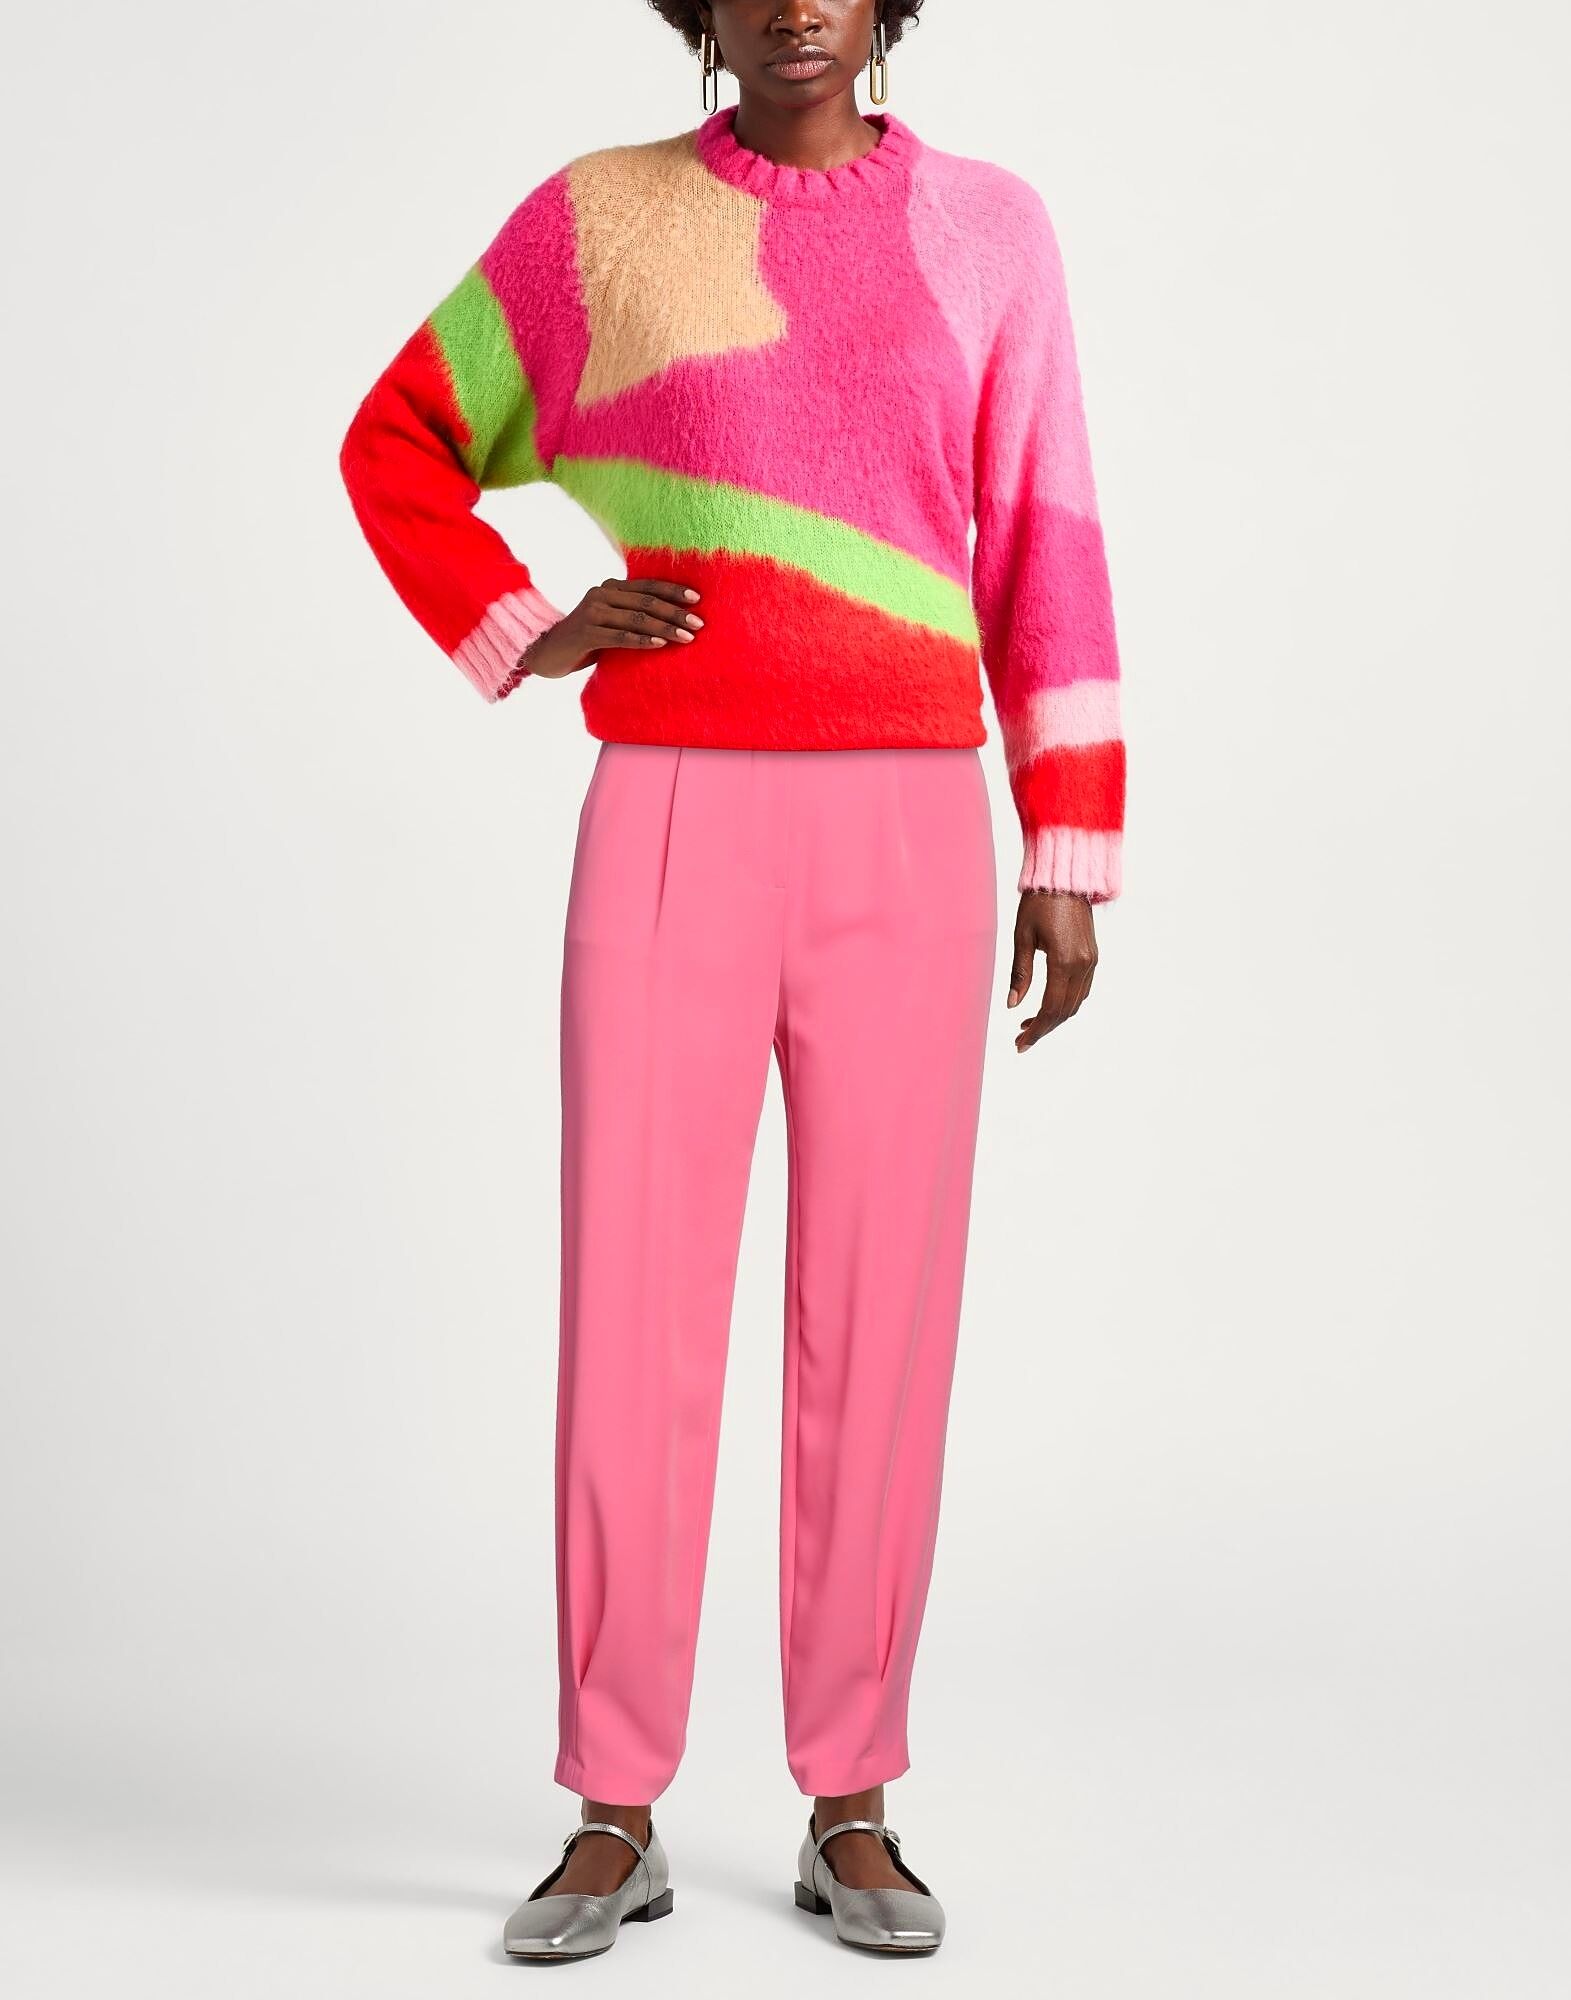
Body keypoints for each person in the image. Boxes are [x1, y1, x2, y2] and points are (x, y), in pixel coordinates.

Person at [338, 0, 1123, 1962]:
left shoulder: (993, 233)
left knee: (882, 1318)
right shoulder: (599, 223)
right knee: (632, 1307)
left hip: (909, 824)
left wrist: (1070, 842)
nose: (794, 5)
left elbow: (1043, 538)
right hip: (672, 808)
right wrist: (527, 625)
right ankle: (613, 1810)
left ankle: (853, 1801)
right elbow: (397, 439)